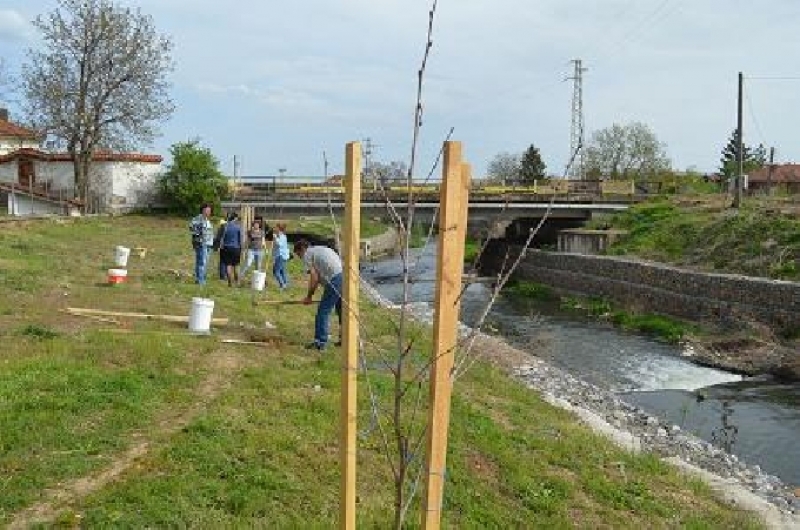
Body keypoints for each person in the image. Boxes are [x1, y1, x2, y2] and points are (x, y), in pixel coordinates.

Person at [294, 239, 342, 350]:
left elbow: (314, 278)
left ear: (302, 249)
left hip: (335, 279)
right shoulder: (320, 249)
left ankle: (320, 342)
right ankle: (344, 339)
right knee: (341, 310)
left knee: (323, 311)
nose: (300, 258)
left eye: (298, 255)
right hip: (344, 275)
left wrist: (309, 297)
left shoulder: (307, 255)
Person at [189, 203, 214, 285]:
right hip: (201, 243)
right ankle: (201, 281)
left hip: (209, 244)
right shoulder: (198, 218)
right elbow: (191, 228)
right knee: (202, 262)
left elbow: (209, 232)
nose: (209, 212)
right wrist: (200, 234)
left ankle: (199, 278)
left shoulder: (207, 220)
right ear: (203, 210)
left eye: (210, 210)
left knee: (203, 262)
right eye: (207, 210)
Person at [219, 212, 243, 287]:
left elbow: (222, 238)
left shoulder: (225, 226)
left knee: (228, 265)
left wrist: (221, 247)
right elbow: (240, 239)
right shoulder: (238, 227)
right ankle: (238, 282)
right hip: (236, 248)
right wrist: (241, 248)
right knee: (236, 265)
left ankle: (230, 282)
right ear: (235, 218)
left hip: (226, 248)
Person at [239, 217, 266, 282]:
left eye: (257, 224)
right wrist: (244, 248)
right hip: (251, 250)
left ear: (259, 225)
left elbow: (263, 240)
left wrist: (265, 248)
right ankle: (240, 275)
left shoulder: (262, 232)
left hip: (260, 250)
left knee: (258, 266)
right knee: (248, 263)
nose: (256, 225)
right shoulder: (250, 232)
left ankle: (256, 280)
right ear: (253, 225)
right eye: (255, 224)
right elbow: (248, 240)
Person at [272, 222, 290, 289]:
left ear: (279, 229)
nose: (274, 228)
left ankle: (282, 285)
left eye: (275, 227)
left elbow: (279, 244)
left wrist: (275, 238)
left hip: (281, 256)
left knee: (276, 272)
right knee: (282, 271)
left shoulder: (282, 236)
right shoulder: (280, 236)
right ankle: (285, 284)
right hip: (280, 256)